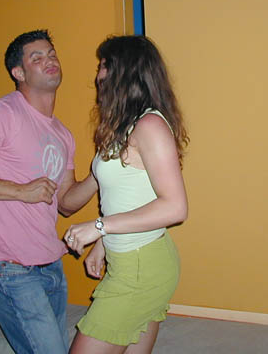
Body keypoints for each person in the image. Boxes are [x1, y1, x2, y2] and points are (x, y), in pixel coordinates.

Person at [0, 29, 97, 354]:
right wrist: (20, 191)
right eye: (36, 57)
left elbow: (65, 202)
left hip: (51, 265)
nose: (49, 60)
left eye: (51, 54)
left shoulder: (62, 134)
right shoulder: (1, 113)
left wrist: (100, 173)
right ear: (19, 73)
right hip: (10, 269)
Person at [64, 35, 189, 354]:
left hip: (141, 267)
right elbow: (129, 194)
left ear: (126, 72)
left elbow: (175, 207)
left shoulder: (150, 126)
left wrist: (99, 227)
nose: (98, 75)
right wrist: (103, 243)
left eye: (104, 66)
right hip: (133, 261)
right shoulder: (125, 125)